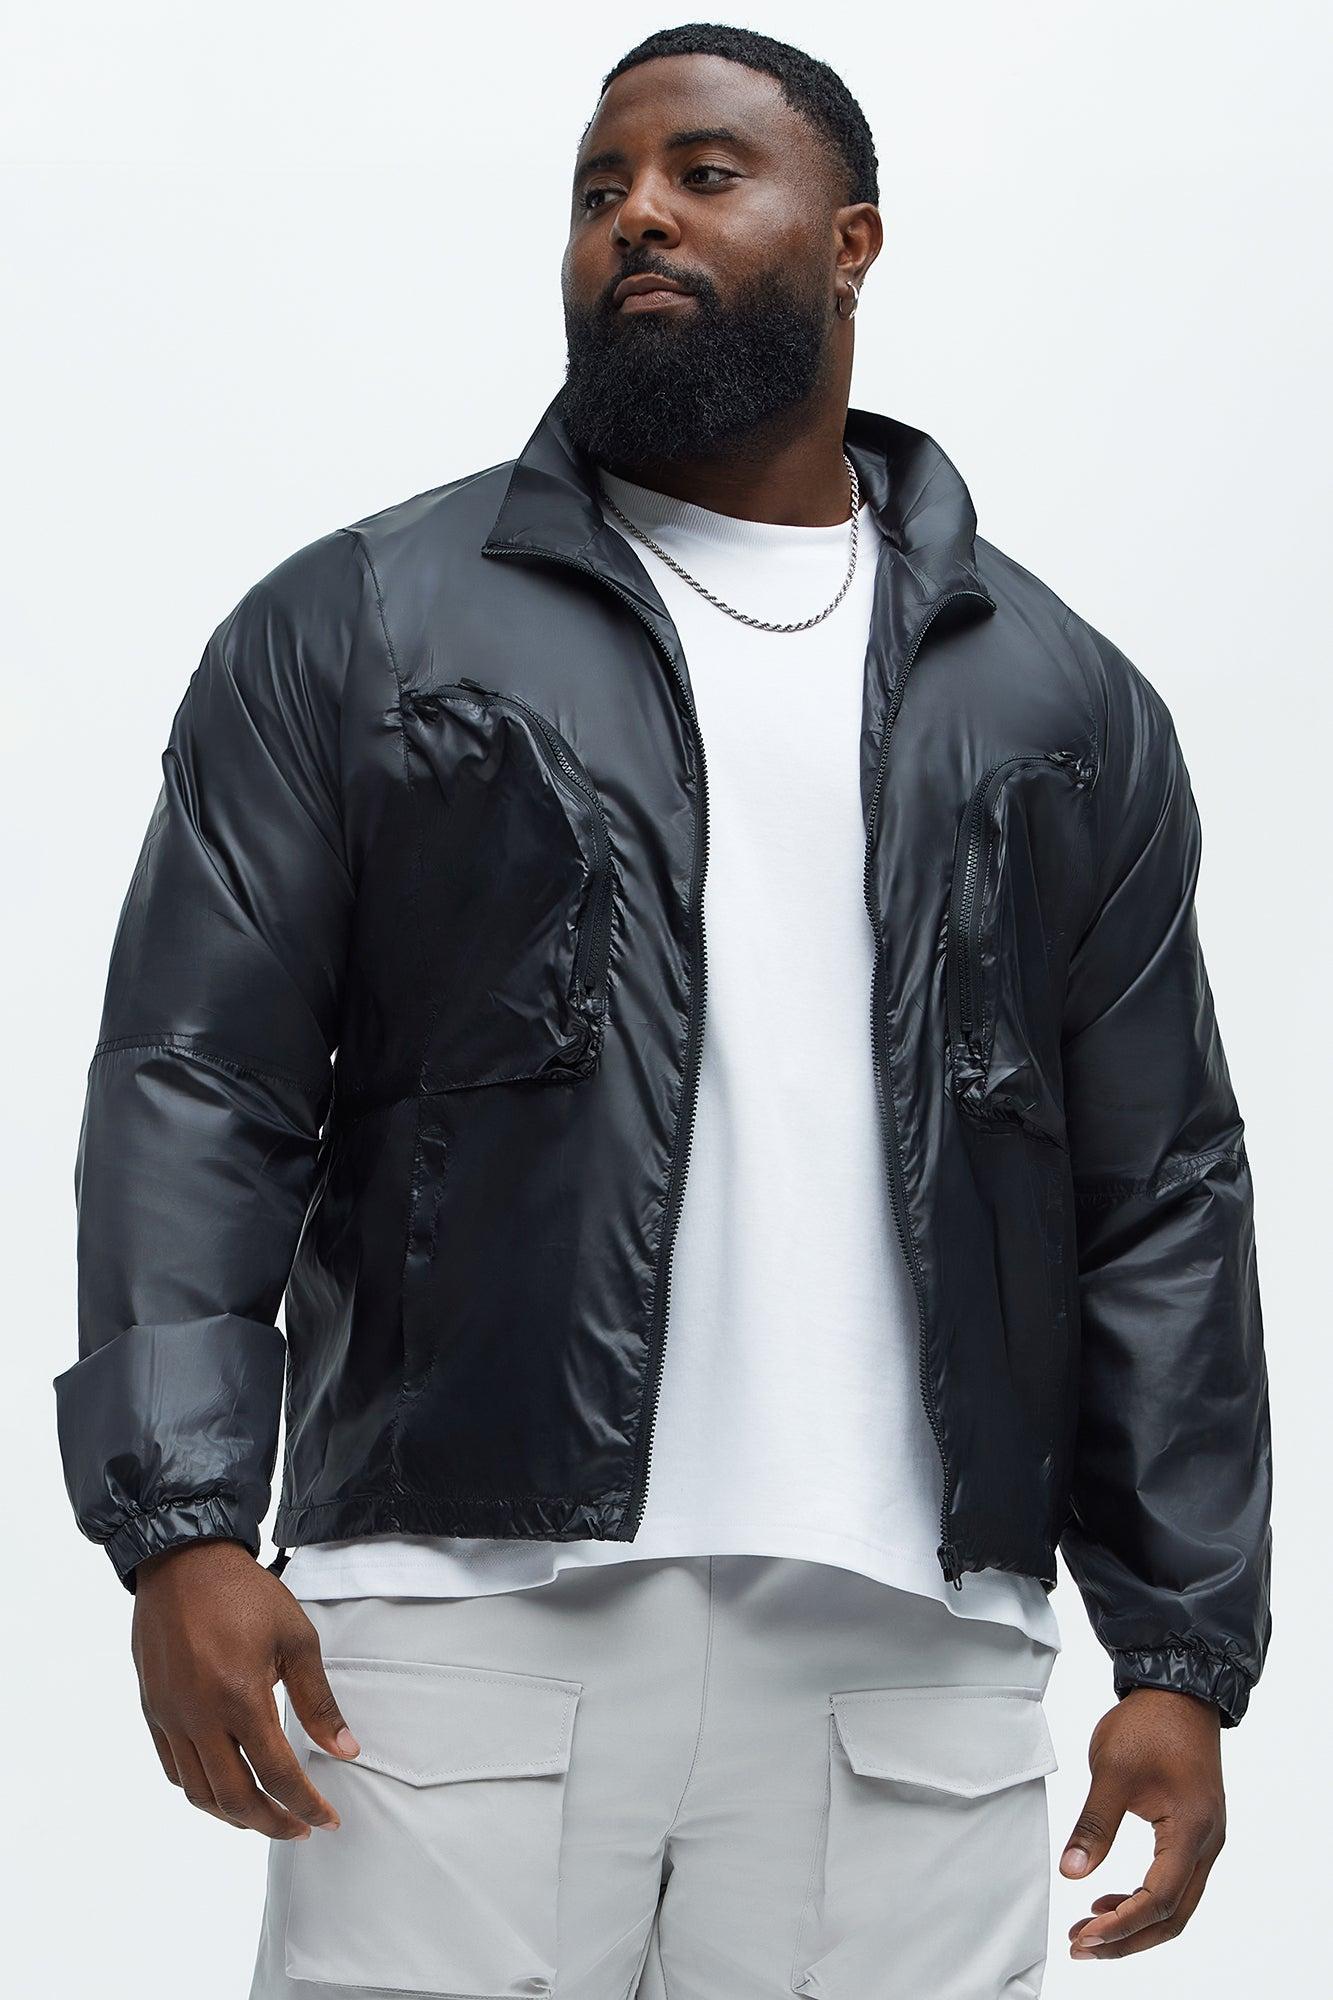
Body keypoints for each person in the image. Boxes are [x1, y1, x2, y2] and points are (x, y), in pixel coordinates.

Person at [52, 22, 1272, 1997]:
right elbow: (201, 1084)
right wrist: (183, 1525)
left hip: (908, 1656)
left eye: (705, 174)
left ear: (852, 239)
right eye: (598, 187)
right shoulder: (359, 626)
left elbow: (1158, 1194)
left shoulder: (1059, 702)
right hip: (453, 1623)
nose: (636, 215)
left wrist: (1181, 1651)